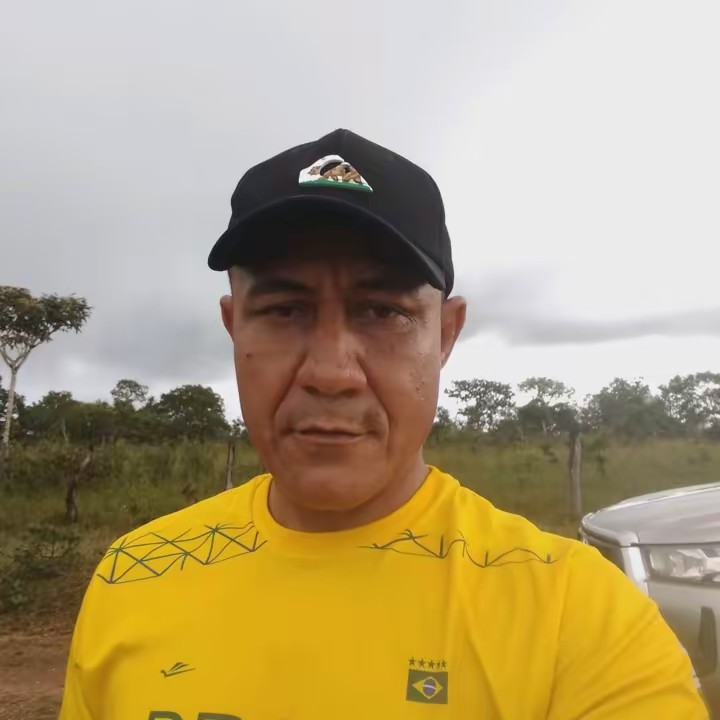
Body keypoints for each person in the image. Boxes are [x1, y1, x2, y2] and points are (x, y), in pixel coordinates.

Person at [59, 129, 708, 719]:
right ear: (234, 327)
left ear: (445, 335)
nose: (331, 372)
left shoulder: (579, 616)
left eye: (382, 312)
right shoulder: (135, 576)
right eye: (285, 311)